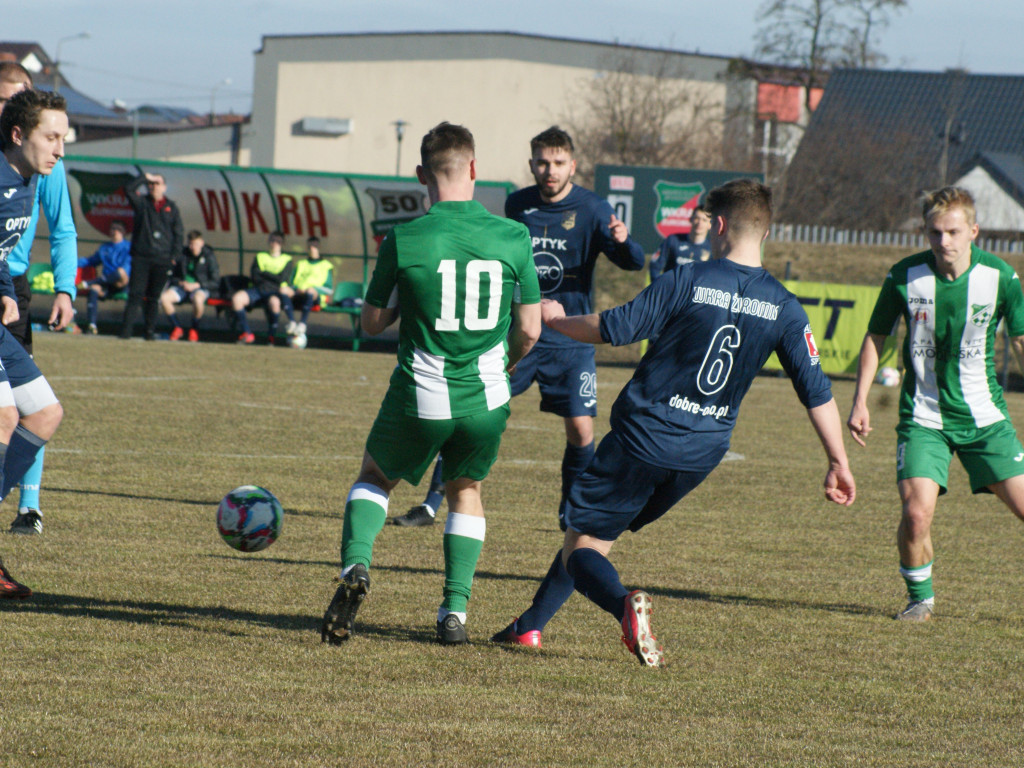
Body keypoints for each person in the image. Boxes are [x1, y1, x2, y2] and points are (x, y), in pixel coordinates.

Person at [492, 179, 855, 667]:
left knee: (582, 546)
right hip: (701, 455)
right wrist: (838, 461)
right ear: (766, 232)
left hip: (643, 438)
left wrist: (555, 320)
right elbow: (817, 391)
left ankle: (624, 605)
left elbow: (614, 328)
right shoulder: (786, 306)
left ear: (718, 225)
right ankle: (528, 627)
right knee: (593, 538)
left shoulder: (690, 279)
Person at [320, 122, 541, 646]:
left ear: (422, 175)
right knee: (466, 490)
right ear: (474, 168)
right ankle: (453, 613)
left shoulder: (404, 239)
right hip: (487, 395)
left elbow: (371, 323)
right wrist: (506, 363)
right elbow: (530, 329)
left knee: (375, 477)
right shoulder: (514, 237)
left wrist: (408, 298)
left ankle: (356, 565)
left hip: (422, 392)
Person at [392, 125, 645, 528]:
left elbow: (633, 262)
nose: (550, 170)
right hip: (518, 333)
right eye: (542, 162)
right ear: (531, 164)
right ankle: (430, 505)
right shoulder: (518, 205)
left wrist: (624, 241)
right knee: (468, 413)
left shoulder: (593, 208)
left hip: (569, 337)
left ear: (572, 165)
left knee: (581, 430)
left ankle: (572, 513)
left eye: (558, 163)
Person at [848, 186, 1024, 623]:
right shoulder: (904, 276)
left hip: (985, 419)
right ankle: (919, 599)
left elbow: (1020, 340)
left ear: (974, 231)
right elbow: (876, 336)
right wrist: (860, 400)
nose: (943, 241)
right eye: (934, 232)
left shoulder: (1001, 278)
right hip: (923, 417)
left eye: (953, 232)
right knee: (915, 514)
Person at [0, 64, 76, 536]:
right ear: (18, 132)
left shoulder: (29, 180)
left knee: (44, 413)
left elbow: (2, 251)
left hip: (8, 299)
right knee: (5, 416)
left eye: (63, 139)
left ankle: (24, 505)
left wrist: (7, 293)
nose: (59, 149)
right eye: (52, 138)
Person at [119, 172, 184, 340]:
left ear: (164, 187)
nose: (154, 187)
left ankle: (149, 332)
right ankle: (126, 333)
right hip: (142, 257)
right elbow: (128, 189)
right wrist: (144, 177)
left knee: (154, 297)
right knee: (135, 295)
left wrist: (174, 257)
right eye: (151, 184)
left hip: (162, 258)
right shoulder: (142, 203)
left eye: (157, 183)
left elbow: (178, 234)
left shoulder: (171, 207)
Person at [231, 231, 296, 344]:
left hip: (274, 290)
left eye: (278, 241)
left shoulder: (287, 259)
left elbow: (282, 279)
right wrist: (273, 276)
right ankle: (247, 333)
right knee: (237, 299)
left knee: (275, 303)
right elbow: (255, 276)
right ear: (269, 241)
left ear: (282, 244)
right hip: (259, 289)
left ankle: (271, 336)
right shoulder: (260, 256)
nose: (274, 243)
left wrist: (264, 273)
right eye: (272, 240)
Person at [160, 229, 220, 341]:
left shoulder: (209, 256)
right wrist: (180, 282)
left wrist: (197, 285)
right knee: (164, 298)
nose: (193, 247)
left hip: (200, 287)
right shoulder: (183, 255)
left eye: (196, 244)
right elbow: (172, 275)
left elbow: (215, 281)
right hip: (183, 287)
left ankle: (194, 329)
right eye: (191, 244)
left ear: (201, 243)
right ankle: (177, 327)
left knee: (198, 299)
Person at [77, 220, 131, 334]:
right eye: (112, 228)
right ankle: (92, 325)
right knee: (94, 289)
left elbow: (126, 269)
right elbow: (91, 261)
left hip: (123, 284)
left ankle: (89, 283)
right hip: (106, 283)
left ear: (123, 232)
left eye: (117, 229)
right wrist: (72, 262)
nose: (114, 231)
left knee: (120, 272)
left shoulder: (128, 247)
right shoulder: (105, 248)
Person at [285, 236, 333, 338]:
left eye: (315, 246)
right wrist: (296, 289)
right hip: (298, 294)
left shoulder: (326, 265)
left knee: (310, 291)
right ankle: (292, 322)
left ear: (319, 247)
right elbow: (291, 283)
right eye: (310, 246)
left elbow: (329, 289)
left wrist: (313, 289)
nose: (312, 248)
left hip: (315, 297)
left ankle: (302, 324)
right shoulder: (300, 264)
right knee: (284, 290)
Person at [649, 204, 713, 279]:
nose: (699, 223)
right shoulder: (673, 240)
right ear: (690, 219)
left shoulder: (712, 248)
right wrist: (659, 285)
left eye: (704, 220)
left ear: (710, 225)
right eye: (697, 218)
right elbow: (655, 266)